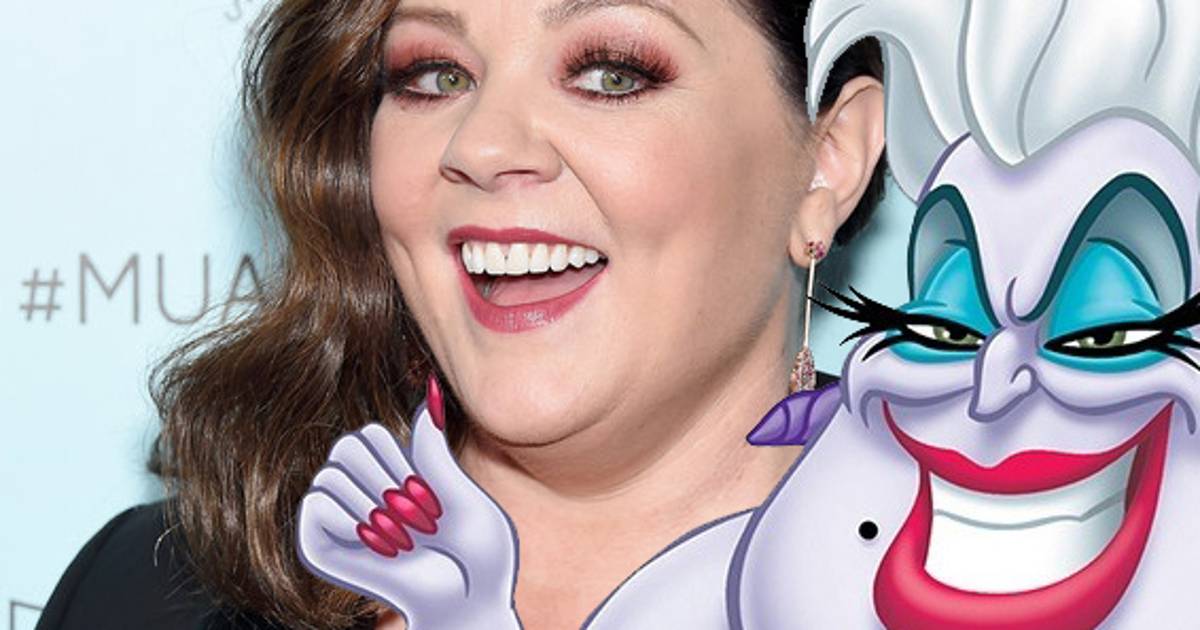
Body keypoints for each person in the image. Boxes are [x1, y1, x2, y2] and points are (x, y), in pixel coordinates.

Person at [37, 1, 888, 628]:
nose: (480, 145)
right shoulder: (139, 591)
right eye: (435, 75)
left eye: (610, 73)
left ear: (829, 159)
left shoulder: (946, 590)